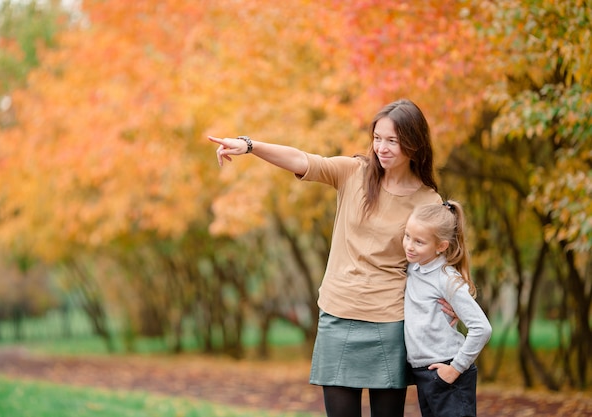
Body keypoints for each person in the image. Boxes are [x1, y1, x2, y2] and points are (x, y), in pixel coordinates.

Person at [209, 99, 449, 417]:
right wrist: (249, 145)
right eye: (378, 138)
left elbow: (439, 260)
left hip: (389, 322)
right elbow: (302, 159)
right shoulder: (354, 173)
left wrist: (455, 301)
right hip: (337, 315)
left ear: (414, 143)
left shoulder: (427, 200)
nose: (382, 147)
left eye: (393, 140)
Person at [403, 200, 492, 417]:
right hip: (425, 374)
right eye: (407, 236)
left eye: (419, 242)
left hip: (448, 371)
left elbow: (482, 328)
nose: (409, 246)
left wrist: (455, 369)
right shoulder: (414, 268)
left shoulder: (446, 278)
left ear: (441, 246)